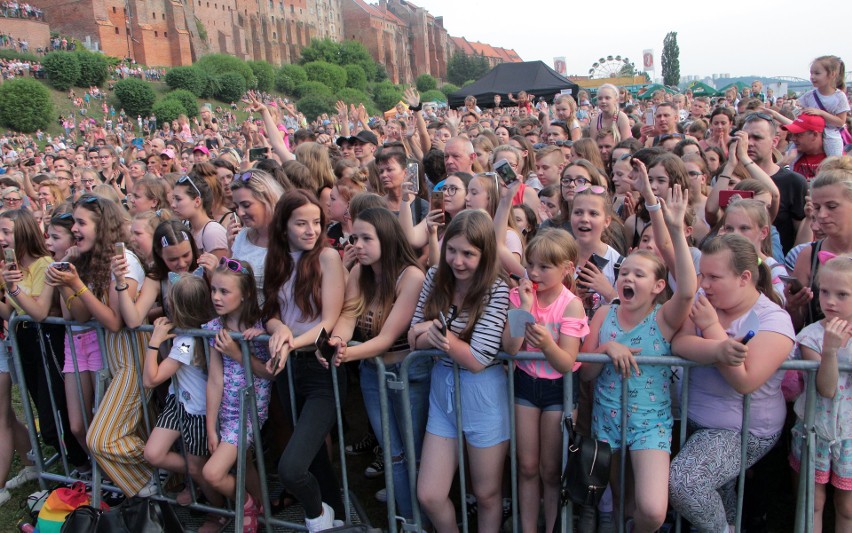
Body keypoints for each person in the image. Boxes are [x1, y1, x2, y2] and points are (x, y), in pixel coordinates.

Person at [582, 183, 696, 533]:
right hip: (608, 421)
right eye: (624, 272)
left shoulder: (662, 319)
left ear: (659, 287)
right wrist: (605, 350)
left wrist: (675, 231)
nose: (627, 277)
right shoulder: (603, 316)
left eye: (639, 274)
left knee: (650, 510)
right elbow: (584, 372)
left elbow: (689, 290)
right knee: (622, 504)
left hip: (651, 424)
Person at [670, 234, 795, 533]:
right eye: (703, 275)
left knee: (686, 483)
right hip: (696, 421)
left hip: (743, 431)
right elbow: (680, 342)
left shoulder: (774, 320)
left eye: (714, 277)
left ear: (745, 278)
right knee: (719, 495)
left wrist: (713, 330)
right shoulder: (703, 302)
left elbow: (745, 381)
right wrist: (719, 350)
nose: (704, 284)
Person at [409, 209, 510, 533]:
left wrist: (438, 335)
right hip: (443, 389)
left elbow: (479, 358)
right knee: (430, 493)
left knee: (487, 493)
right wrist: (433, 336)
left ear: (485, 254)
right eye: (452, 249)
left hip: (484, 393)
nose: (457, 260)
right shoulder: (435, 274)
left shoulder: (497, 288)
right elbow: (413, 338)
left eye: (468, 253)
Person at [326, 207, 429, 520]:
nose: (357, 244)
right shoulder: (359, 272)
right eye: (354, 237)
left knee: (414, 454)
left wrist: (346, 354)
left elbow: (386, 338)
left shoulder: (411, 276)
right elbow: (347, 315)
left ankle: (419, 522)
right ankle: (407, 519)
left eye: (366, 238)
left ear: (386, 237)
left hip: (406, 374)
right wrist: (338, 342)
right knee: (393, 453)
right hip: (373, 372)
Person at [47, 195, 153, 496]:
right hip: (116, 359)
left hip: (134, 358)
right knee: (133, 430)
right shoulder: (95, 262)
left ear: (102, 227)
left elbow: (114, 322)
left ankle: (158, 471)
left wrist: (77, 284)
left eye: (81, 223)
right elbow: (82, 314)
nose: (75, 229)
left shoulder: (124, 262)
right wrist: (67, 281)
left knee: (102, 437)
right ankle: (154, 485)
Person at [263, 190, 347, 532]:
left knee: (292, 467)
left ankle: (316, 517)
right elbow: (269, 312)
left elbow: (328, 321)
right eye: (301, 223)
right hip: (288, 372)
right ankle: (336, 515)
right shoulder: (277, 259)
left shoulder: (328, 258)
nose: (311, 230)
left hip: (320, 370)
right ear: (284, 227)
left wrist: (289, 342)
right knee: (314, 460)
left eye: (316, 222)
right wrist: (279, 327)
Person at [501, 228, 589, 532]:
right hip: (525, 385)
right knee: (526, 466)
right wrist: (524, 309)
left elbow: (566, 362)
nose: (534, 273)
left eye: (544, 267)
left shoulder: (571, 304)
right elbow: (510, 350)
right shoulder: (519, 296)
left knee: (551, 470)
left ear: (566, 269)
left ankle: (553, 527)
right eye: (531, 265)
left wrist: (546, 344)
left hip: (558, 391)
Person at [142, 276, 224, 532]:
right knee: (153, 453)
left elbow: (150, 379)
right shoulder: (189, 334)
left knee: (199, 468)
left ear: (179, 309)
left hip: (197, 412)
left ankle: (218, 512)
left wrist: (155, 341)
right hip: (178, 403)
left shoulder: (187, 343)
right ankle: (198, 480)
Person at [202, 259, 273, 530]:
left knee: (212, 473)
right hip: (226, 411)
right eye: (214, 290)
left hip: (249, 411)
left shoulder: (260, 328)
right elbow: (214, 379)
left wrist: (238, 352)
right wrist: (211, 427)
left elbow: (269, 373)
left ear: (244, 294)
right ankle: (264, 509)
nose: (217, 297)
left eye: (225, 292)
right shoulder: (213, 328)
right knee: (247, 462)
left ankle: (247, 505)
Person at [798, 56, 849, 157]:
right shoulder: (809, 95)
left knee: (834, 162)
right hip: (810, 134)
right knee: (792, 156)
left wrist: (820, 113)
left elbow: (840, 122)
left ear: (832, 74)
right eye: (811, 73)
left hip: (830, 135)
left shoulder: (839, 96)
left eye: (817, 73)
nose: (812, 77)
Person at [170, 172, 229, 258]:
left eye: (178, 199)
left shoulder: (213, 233)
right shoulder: (187, 226)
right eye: (173, 199)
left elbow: (219, 270)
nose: (173, 205)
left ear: (197, 201)